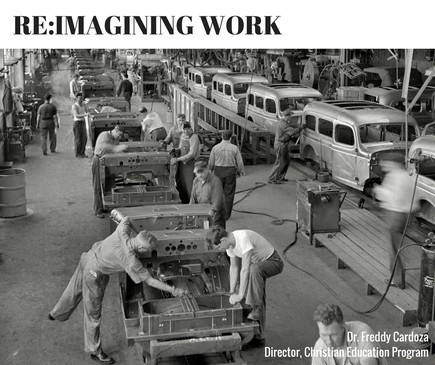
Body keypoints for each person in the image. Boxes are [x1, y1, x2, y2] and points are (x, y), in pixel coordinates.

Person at [49, 217, 188, 364]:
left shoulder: (122, 232)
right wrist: (173, 290)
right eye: (148, 250)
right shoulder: (131, 260)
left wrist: (138, 233)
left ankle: (57, 313)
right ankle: (94, 351)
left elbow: (126, 218)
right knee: (93, 313)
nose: (148, 252)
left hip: (87, 256)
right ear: (140, 249)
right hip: (94, 273)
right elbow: (150, 280)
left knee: (75, 287)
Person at [206, 226, 283, 348]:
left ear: (223, 240)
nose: (220, 250)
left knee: (253, 272)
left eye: (219, 247)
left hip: (274, 261)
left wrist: (240, 295)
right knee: (256, 293)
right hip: (257, 267)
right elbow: (234, 267)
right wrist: (232, 292)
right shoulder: (230, 245)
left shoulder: (243, 238)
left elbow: (245, 269)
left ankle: (255, 309)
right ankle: (259, 337)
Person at [373, 154, 419, 289]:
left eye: (386, 162)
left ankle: (397, 280)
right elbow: (414, 200)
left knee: (393, 248)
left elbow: (394, 197)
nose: (384, 165)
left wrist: (378, 190)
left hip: (395, 215)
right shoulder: (408, 176)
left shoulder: (394, 177)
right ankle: (398, 275)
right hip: (404, 215)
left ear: (393, 163)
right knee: (397, 246)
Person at [312, 304, 388, 365]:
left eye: (334, 335)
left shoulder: (362, 333)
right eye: (323, 335)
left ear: (343, 326)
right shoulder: (319, 348)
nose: (329, 341)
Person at [92, 126, 128, 218]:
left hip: (109, 163)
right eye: (119, 135)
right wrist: (116, 148)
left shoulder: (115, 139)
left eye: (121, 137)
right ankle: (98, 210)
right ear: (115, 130)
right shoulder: (104, 135)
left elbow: (118, 151)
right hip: (99, 161)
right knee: (98, 186)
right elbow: (104, 146)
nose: (119, 137)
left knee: (110, 185)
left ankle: (108, 206)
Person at [209, 130, 245, 220]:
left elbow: (211, 161)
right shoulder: (234, 148)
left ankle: (216, 212)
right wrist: (241, 171)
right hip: (230, 172)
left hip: (218, 172)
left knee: (217, 193)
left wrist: (210, 170)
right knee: (229, 194)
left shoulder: (215, 148)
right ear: (231, 137)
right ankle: (226, 215)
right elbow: (239, 162)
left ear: (222, 136)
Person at [268, 108, 303, 184]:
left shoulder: (284, 122)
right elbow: (291, 131)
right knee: (279, 162)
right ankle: (271, 178)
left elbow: (291, 126)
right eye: (290, 117)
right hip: (280, 144)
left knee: (286, 161)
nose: (290, 119)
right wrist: (300, 128)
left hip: (284, 144)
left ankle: (280, 177)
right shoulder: (283, 124)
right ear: (286, 116)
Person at [170, 122, 201, 204]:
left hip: (190, 165)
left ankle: (192, 204)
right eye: (183, 130)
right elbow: (181, 147)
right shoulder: (183, 135)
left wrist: (178, 159)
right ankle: (183, 202)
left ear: (190, 128)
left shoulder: (194, 137)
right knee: (180, 183)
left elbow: (192, 153)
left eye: (186, 130)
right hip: (182, 165)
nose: (185, 132)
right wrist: (176, 150)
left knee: (190, 185)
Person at [190, 161, 226, 228]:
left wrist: (212, 212)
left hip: (216, 216)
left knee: (216, 235)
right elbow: (193, 198)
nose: (200, 175)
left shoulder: (215, 181)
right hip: (201, 214)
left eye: (202, 172)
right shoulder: (196, 181)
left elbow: (217, 201)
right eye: (197, 173)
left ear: (207, 168)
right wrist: (190, 211)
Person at [72, 92, 89, 158]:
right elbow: (76, 115)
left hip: (83, 122)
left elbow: (87, 111)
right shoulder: (75, 106)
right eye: (79, 98)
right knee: (78, 139)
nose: (81, 100)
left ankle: (82, 152)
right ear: (76, 98)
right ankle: (78, 153)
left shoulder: (84, 105)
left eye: (82, 98)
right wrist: (85, 115)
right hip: (77, 123)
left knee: (84, 138)